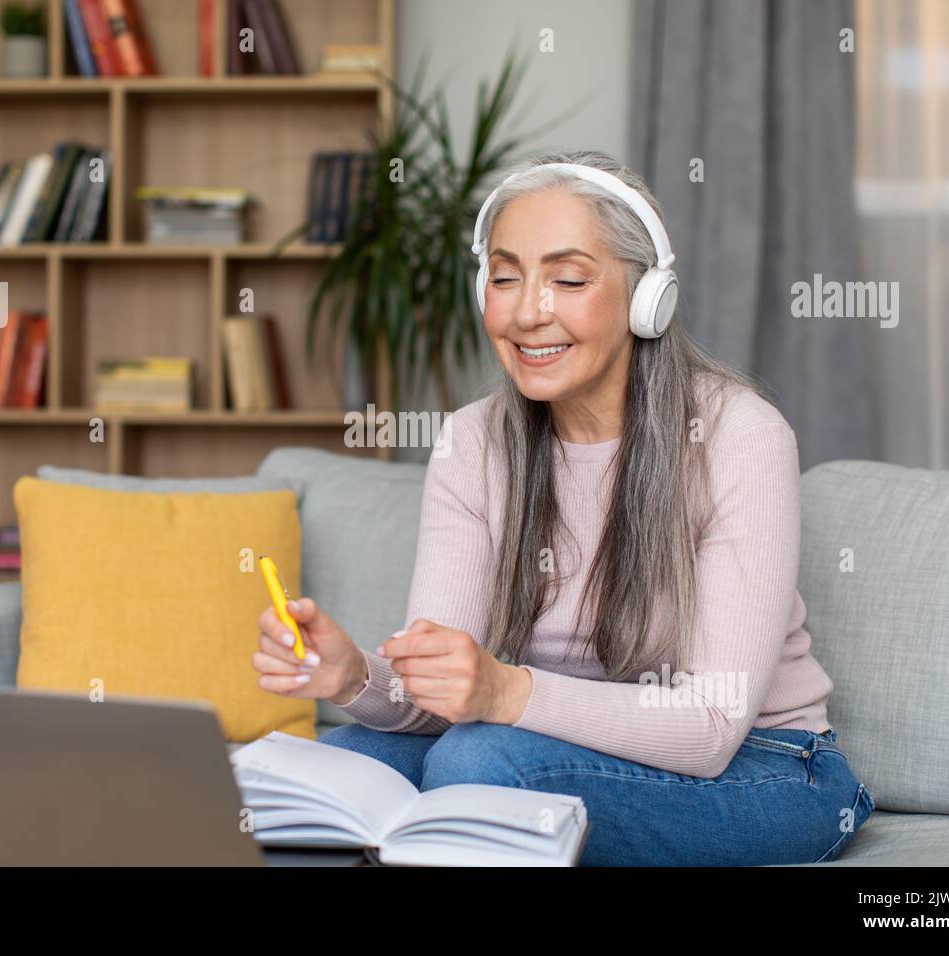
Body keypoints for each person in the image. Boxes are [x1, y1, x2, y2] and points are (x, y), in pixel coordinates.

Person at [251, 148, 875, 866]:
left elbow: (710, 728)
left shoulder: (739, 435)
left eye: (569, 278)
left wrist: (507, 691)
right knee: (341, 765)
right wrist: (353, 677)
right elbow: (444, 697)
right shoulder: (473, 442)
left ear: (649, 298)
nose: (526, 312)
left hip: (771, 769)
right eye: (506, 276)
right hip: (556, 747)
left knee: (479, 767)